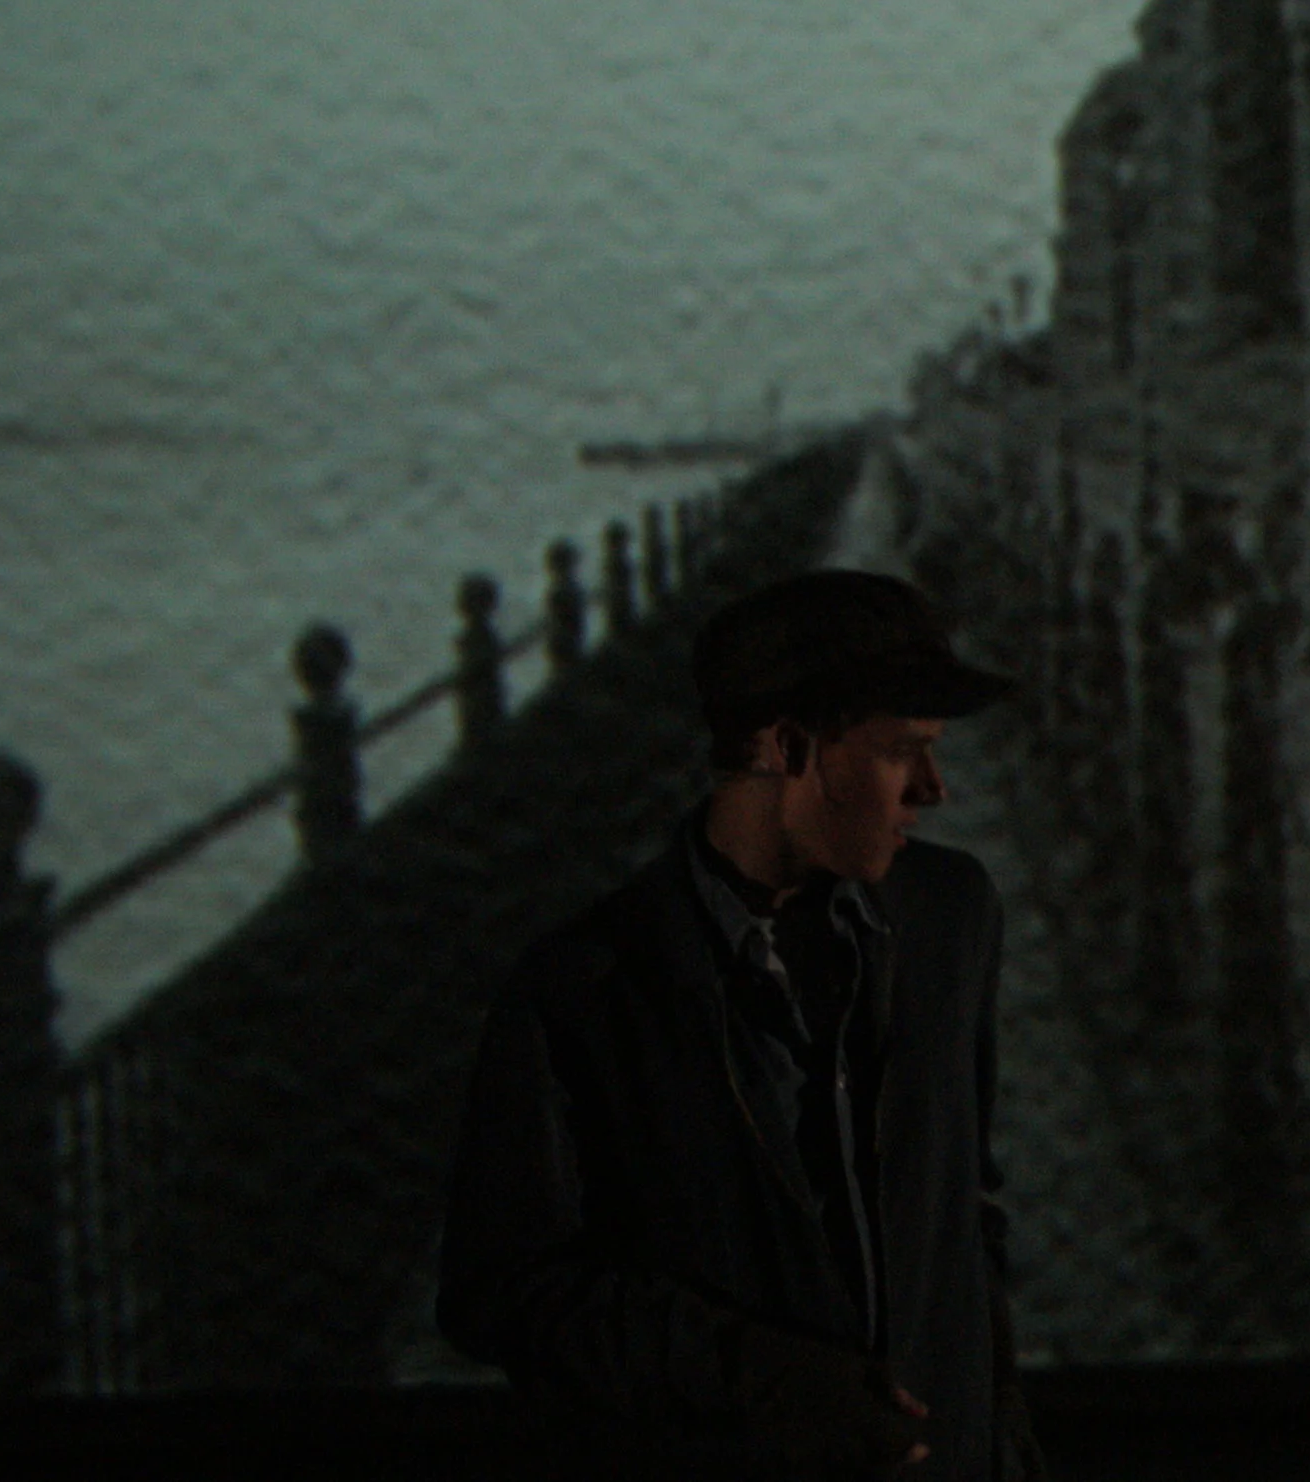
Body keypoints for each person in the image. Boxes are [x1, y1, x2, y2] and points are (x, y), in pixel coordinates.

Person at [437, 568, 1046, 1482]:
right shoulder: (585, 988)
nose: (932, 789)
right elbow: (504, 1290)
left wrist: (1002, 1442)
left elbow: (966, 1210)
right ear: (788, 746)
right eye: (901, 752)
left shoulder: (950, 918)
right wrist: (759, 1380)